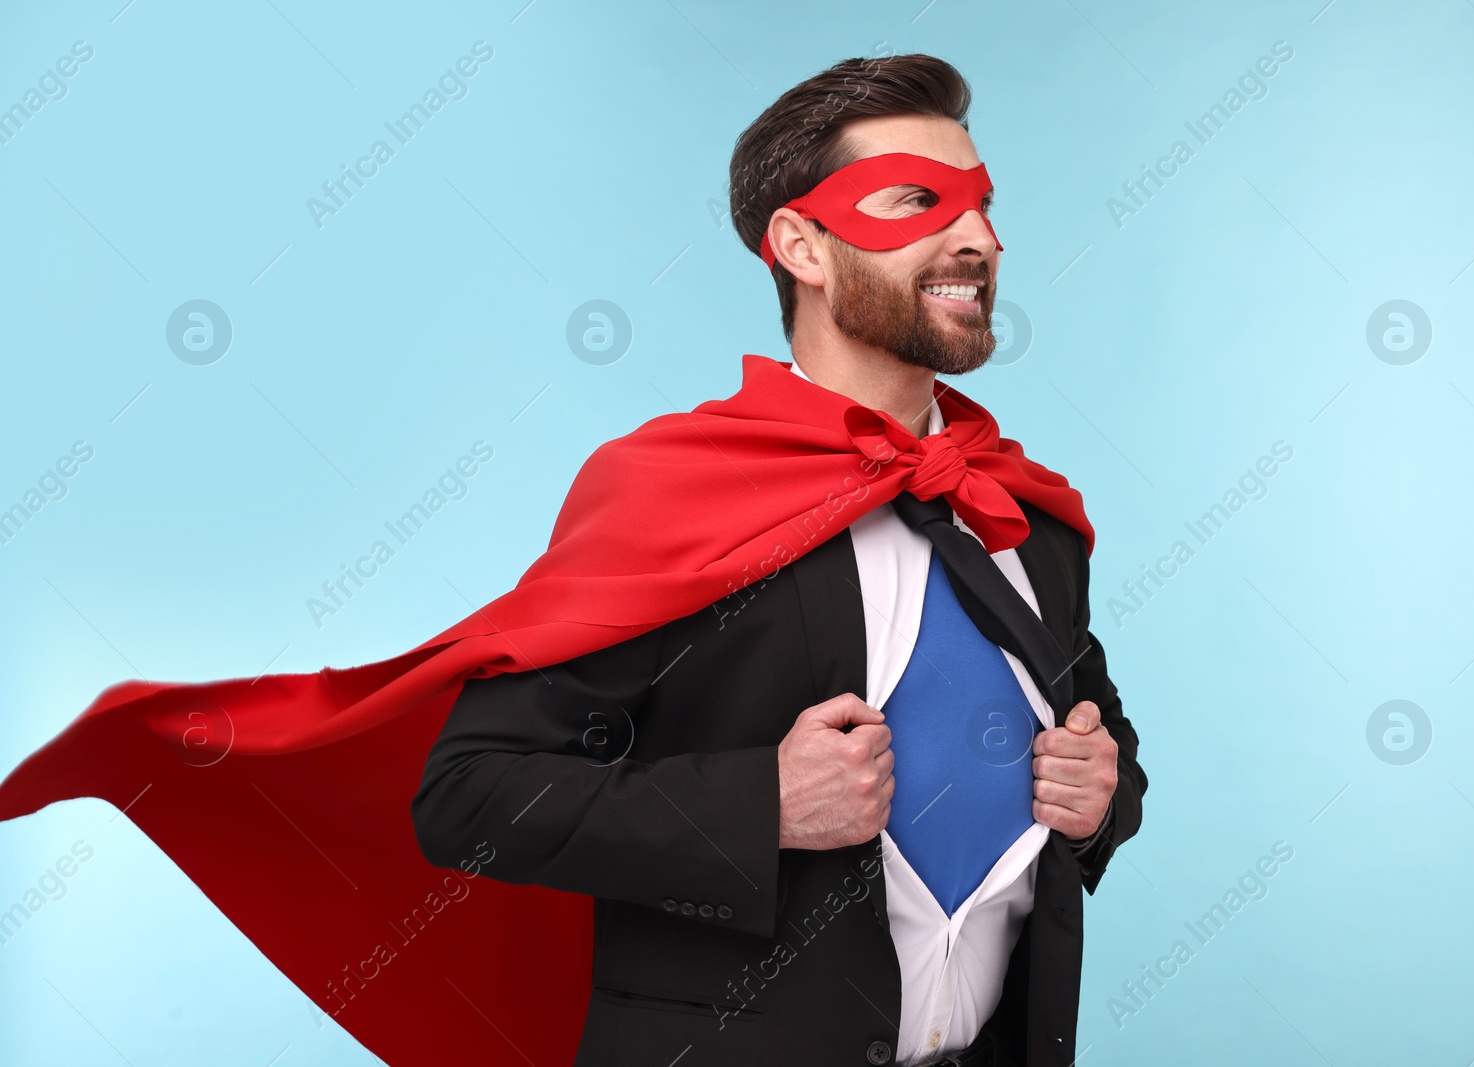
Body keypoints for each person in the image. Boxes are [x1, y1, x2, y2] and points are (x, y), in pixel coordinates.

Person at [410, 53, 1146, 1066]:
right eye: (917, 202)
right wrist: (761, 805)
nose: (977, 239)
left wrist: (1101, 797)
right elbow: (472, 795)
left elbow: (1106, 744)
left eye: (981, 206)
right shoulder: (670, 490)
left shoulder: (1024, 514)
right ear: (801, 242)